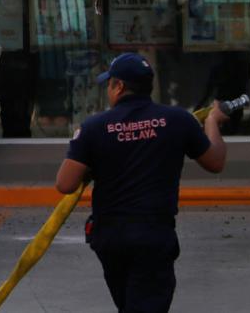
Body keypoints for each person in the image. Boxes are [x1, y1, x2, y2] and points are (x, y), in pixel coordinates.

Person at [54, 53, 227, 313]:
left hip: (110, 238)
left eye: (109, 84)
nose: (108, 90)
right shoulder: (178, 120)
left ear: (119, 86)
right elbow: (215, 162)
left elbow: (65, 184)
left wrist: (93, 159)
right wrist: (212, 122)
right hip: (153, 236)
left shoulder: (93, 127)